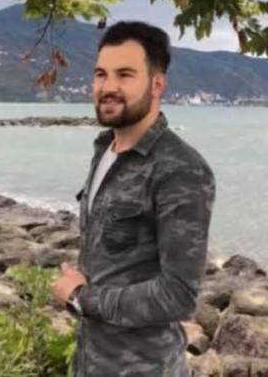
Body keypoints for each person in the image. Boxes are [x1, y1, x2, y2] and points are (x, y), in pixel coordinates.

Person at [52, 21, 216, 377]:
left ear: (157, 84)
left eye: (125, 75)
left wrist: (82, 297)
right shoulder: (105, 150)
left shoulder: (180, 170)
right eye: (101, 74)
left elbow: (178, 295)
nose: (108, 87)